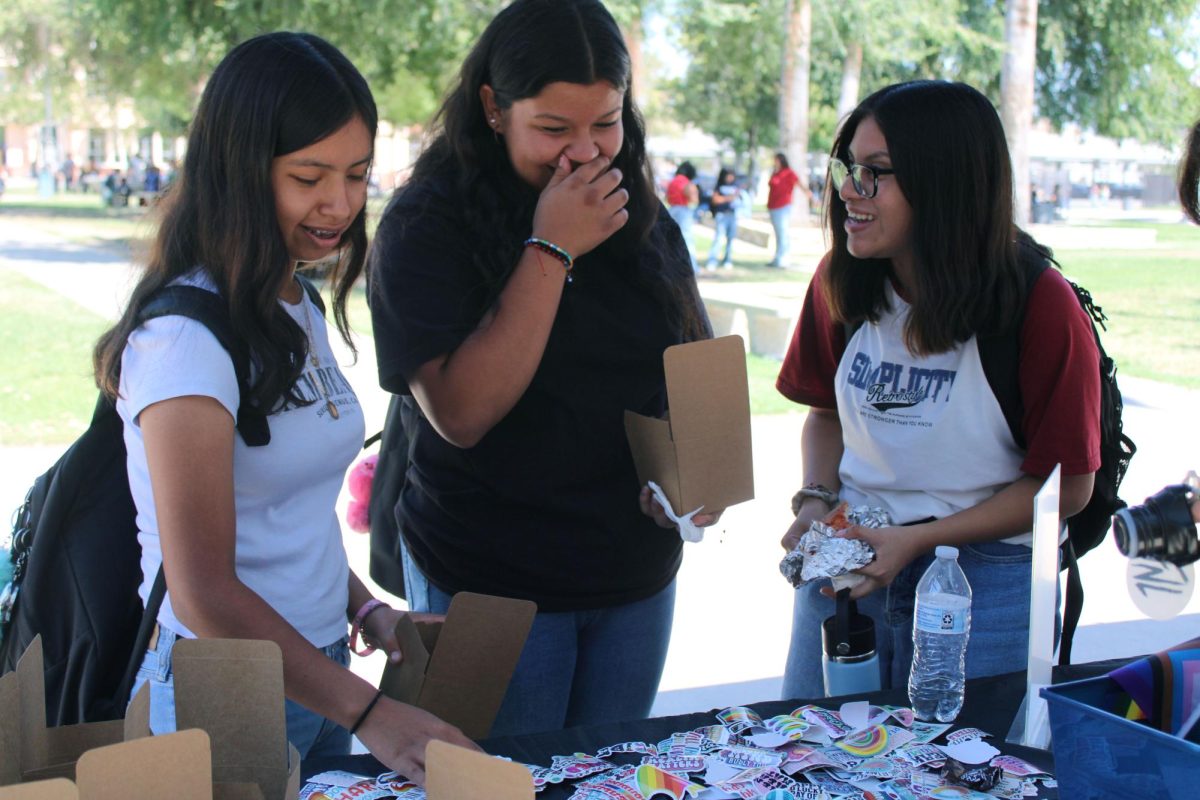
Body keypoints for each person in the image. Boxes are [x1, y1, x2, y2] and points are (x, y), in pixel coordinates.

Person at [91, 32, 474, 783]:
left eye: (359, 175)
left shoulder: (290, 296)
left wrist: (367, 611)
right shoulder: (183, 341)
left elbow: (289, 513)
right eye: (310, 176)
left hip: (316, 668)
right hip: (222, 686)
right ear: (239, 170)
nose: (340, 204)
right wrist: (368, 713)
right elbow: (203, 591)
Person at [368, 0, 716, 738]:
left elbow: (696, 376)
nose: (585, 153)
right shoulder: (427, 224)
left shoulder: (643, 216)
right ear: (494, 107)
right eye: (553, 129)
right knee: (496, 784)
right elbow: (461, 413)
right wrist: (551, 250)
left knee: (608, 779)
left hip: (633, 580)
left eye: (607, 122)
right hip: (490, 585)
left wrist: (696, 474)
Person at [774, 80, 1101, 699]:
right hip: (852, 561)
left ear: (945, 185)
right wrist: (816, 499)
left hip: (987, 579)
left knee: (968, 777)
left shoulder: (1037, 303)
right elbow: (826, 413)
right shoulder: (839, 282)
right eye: (850, 168)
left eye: (877, 173)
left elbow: (1067, 489)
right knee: (814, 762)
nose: (850, 190)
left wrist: (920, 541)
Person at [767, 152, 804, 268]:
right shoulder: (775, 173)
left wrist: (809, 194)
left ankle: (784, 258)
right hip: (773, 206)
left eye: (776, 160)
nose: (775, 162)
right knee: (778, 233)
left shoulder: (789, 173)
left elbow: (799, 183)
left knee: (783, 232)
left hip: (782, 206)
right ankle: (777, 257)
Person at [665, 161, 700, 270]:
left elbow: (667, 198)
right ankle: (692, 266)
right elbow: (693, 198)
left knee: (671, 238)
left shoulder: (673, 181)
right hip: (683, 211)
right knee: (687, 238)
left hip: (672, 210)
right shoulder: (686, 182)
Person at [705, 167, 741, 269]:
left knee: (730, 238)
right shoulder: (719, 186)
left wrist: (727, 199)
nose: (730, 177)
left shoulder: (735, 186)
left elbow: (737, 197)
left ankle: (727, 259)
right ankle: (712, 260)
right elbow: (715, 200)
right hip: (721, 214)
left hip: (732, 214)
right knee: (719, 238)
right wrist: (728, 198)